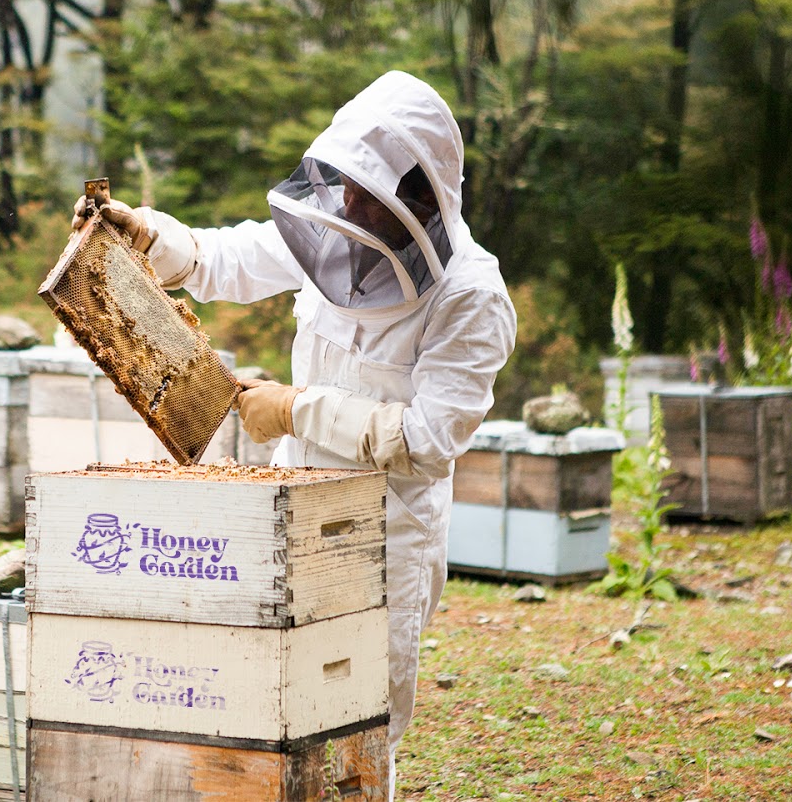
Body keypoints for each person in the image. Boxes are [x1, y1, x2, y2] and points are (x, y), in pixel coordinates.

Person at [73, 70, 516, 797]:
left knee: (356, 736)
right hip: (291, 516)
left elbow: (431, 440)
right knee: (269, 717)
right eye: (344, 185)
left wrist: (294, 408)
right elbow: (225, 258)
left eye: (369, 195)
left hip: (385, 539)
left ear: (419, 196)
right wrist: (147, 233)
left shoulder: (472, 296)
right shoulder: (337, 231)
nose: (349, 206)